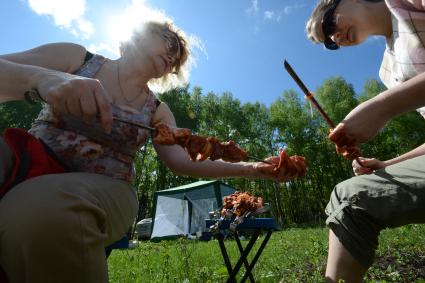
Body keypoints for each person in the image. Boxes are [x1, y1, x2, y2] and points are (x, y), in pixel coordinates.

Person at [0, 21, 305, 283]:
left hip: (108, 188)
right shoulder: (76, 57)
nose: (173, 56)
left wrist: (253, 169)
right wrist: (40, 79)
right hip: (29, 157)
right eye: (170, 42)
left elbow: (184, 162)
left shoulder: (157, 111)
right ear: (138, 33)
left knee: (45, 205)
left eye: (178, 57)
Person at [306, 0, 425, 282]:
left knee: (349, 198)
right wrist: (386, 164)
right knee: (347, 195)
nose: (335, 37)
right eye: (329, 42)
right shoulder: (388, 70)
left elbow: (384, 108)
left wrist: (381, 108)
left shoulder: (404, 4)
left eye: (329, 24)